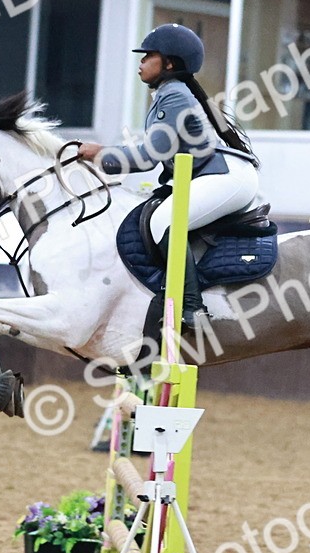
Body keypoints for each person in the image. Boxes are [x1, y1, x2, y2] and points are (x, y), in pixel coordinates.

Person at [77, 23, 259, 327]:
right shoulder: (169, 93)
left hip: (227, 177)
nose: (141, 61)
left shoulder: (174, 95)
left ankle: (192, 307)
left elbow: (149, 157)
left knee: (164, 221)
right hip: (214, 175)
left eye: (148, 56)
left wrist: (100, 153)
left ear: (170, 63)